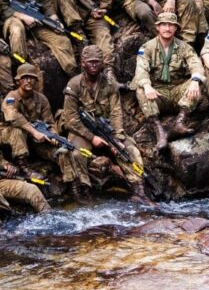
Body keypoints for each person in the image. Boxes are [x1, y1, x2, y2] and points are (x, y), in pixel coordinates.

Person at [61, 44, 146, 198]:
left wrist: (117, 138)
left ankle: (138, 190)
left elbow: (116, 112)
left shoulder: (109, 84)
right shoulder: (74, 84)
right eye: (90, 62)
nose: (94, 65)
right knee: (77, 154)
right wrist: (92, 138)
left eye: (97, 62)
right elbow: (71, 119)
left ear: (103, 64)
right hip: (82, 131)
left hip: (106, 129)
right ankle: (84, 189)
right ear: (83, 63)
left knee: (129, 150)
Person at [0, 63, 90, 203]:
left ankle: (74, 187)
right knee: (17, 131)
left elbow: (50, 122)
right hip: (11, 137)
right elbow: (13, 116)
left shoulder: (41, 99)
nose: (29, 81)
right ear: (18, 80)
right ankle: (24, 168)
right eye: (25, 78)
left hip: (37, 140)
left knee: (63, 149)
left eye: (32, 78)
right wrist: (34, 132)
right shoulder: (12, 97)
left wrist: (54, 135)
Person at [132, 12, 208, 150]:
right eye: (164, 25)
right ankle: (160, 133)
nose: (167, 28)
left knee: (200, 82)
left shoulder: (184, 47)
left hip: (177, 91)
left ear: (175, 29)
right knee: (141, 88)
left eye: (171, 25)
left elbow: (195, 64)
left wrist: (195, 80)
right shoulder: (147, 48)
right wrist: (148, 86)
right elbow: (141, 70)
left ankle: (179, 122)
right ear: (158, 27)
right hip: (157, 94)